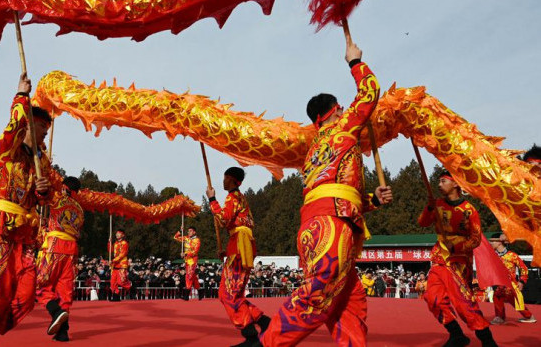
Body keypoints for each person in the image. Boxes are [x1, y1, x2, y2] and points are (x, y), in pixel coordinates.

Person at [260, 38, 393, 347]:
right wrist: (355, 62)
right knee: (316, 295)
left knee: (349, 302)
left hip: (316, 224)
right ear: (335, 110)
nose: (346, 110)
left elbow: (335, 191)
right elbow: (370, 93)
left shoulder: (313, 152)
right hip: (332, 227)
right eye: (341, 108)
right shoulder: (343, 129)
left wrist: (371, 200)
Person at [0, 73, 58, 346]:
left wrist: (43, 191)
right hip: (0, 228)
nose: (44, 134)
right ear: (29, 125)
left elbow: (47, 199)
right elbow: (14, 125)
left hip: (25, 235)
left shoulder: (43, 163)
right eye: (41, 127)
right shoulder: (7, 151)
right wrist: (20, 96)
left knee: (27, 294)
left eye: (47, 130)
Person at [418, 170, 498, 347]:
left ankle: (487, 339)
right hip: (440, 258)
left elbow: (476, 239)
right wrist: (429, 208)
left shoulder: (469, 210)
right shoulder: (437, 204)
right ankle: (456, 335)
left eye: (443, 181)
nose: (439, 185)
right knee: (433, 298)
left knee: (462, 303)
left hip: (459, 262)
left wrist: (458, 246)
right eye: (438, 182)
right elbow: (422, 223)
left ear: (455, 183)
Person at [207, 166, 270, 346]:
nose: (223, 181)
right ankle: (264, 323)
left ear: (233, 180)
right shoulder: (240, 198)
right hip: (240, 244)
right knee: (235, 292)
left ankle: (250, 336)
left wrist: (212, 199)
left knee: (227, 293)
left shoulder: (233, 197)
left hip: (239, 246)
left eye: (225, 178)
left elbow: (224, 218)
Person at [36, 176, 84, 341]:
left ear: (65, 188)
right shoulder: (79, 209)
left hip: (54, 246)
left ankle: (56, 311)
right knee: (64, 292)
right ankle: (63, 332)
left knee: (40, 284)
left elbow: (42, 194)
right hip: (71, 251)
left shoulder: (58, 198)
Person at [489, 233, 536, 324]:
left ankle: (528, 316)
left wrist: (521, 281)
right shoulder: (493, 256)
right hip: (499, 284)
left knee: (514, 300)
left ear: (499, 243)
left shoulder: (512, 255)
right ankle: (500, 317)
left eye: (492, 241)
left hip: (511, 284)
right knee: (498, 297)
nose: (491, 243)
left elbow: (524, 268)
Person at [173, 226, 201, 300]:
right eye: (188, 231)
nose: (188, 232)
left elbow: (195, 252)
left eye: (190, 231)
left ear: (194, 232)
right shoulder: (186, 238)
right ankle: (200, 291)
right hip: (187, 261)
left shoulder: (197, 240)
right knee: (193, 277)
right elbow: (175, 237)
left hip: (192, 261)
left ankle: (186, 296)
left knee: (188, 276)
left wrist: (185, 254)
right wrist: (180, 231)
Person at [109, 229, 132, 301]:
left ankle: (130, 286)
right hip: (115, 265)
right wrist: (109, 243)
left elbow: (123, 254)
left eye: (118, 233)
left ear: (123, 235)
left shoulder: (124, 243)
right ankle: (116, 296)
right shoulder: (115, 243)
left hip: (122, 264)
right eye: (116, 233)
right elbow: (110, 251)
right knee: (113, 282)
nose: (116, 235)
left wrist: (113, 260)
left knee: (121, 281)